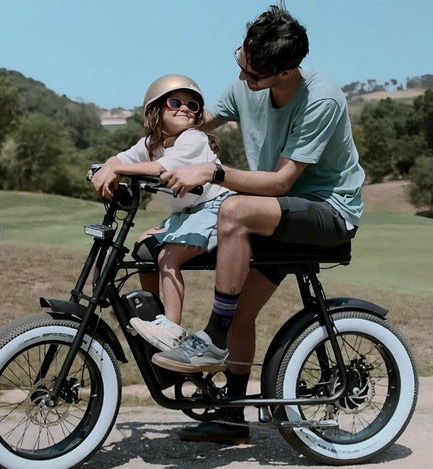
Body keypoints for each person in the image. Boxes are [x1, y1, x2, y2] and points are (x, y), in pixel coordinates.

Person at [128, 4, 365, 444]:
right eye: (240, 62)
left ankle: (211, 338)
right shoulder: (247, 84)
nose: (242, 80)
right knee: (239, 310)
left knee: (233, 209)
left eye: (253, 76)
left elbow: (280, 182)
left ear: (284, 71)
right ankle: (233, 420)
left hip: (326, 210)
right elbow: (184, 127)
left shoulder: (323, 99)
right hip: (274, 214)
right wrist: (121, 162)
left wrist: (213, 174)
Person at [91, 74, 231, 351]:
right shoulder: (151, 143)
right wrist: (104, 168)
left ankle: (170, 331)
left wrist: (116, 170)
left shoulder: (194, 138)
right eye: (176, 102)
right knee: (144, 247)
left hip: (217, 210)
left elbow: (163, 168)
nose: (185, 109)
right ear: (156, 110)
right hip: (189, 212)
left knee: (169, 255)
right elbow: (121, 158)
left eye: (193, 106)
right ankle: (151, 316)